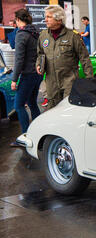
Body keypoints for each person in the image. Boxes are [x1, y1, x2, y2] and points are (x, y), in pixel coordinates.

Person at [36, 5, 93, 109]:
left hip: (69, 81)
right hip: (51, 83)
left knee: (68, 109)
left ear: (59, 20)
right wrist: (38, 64)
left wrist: (89, 81)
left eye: (49, 17)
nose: (45, 19)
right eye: (46, 17)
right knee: (53, 110)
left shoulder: (73, 36)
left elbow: (84, 59)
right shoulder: (43, 35)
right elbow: (40, 53)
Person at [10, 9, 43, 147]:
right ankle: (37, 133)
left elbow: (19, 60)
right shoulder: (36, 32)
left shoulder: (21, 34)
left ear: (18, 19)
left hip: (27, 75)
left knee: (18, 105)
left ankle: (25, 137)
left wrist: (14, 79)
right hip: (37, 74)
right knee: (32, 103)